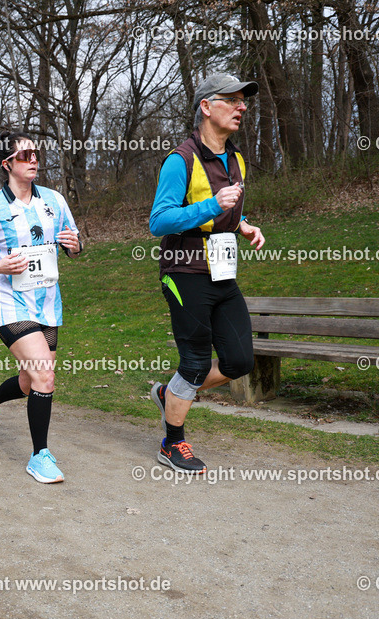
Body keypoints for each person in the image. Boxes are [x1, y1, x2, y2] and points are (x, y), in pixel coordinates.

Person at [148, 73, 266, 474]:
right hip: (183, 272)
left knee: (239, 360)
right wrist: (213, 207)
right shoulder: (179, 160)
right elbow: (159, 220)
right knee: (195, 362)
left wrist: (243, 222)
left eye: (243, 101)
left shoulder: (236, 159)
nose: (242, 107)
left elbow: (226, 205)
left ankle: (170, 393)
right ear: (205, 107)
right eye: (231, 100)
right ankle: (172, 442)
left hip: (222, 272)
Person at [0, 132, 83, 484]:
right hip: (9, 304)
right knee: (45, 374)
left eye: (36, 153)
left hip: (47, 304)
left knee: (31, 382)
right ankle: (39, 455)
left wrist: (75, 245)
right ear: (7, 163)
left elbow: (71, 245)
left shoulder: (55, 201)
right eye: (25, 154)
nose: (33, 159)